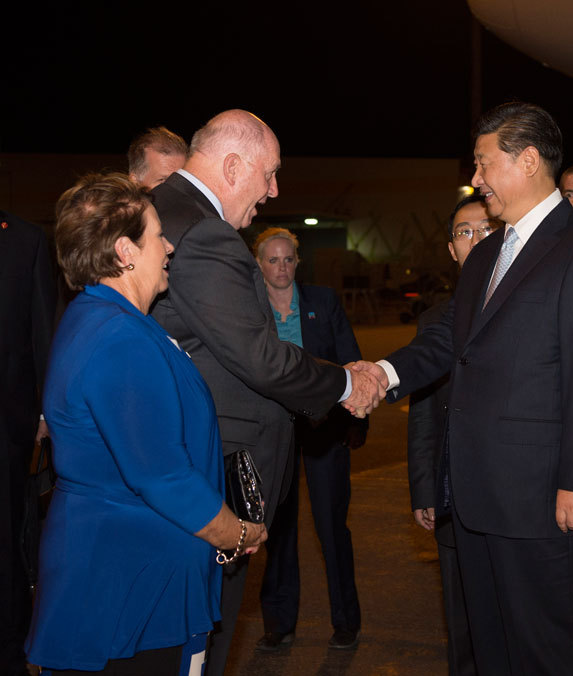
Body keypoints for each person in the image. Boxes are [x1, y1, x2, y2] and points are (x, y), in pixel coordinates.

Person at [350, 102, 573, 675]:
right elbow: (451, 345)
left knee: (553, 654)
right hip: (477, 497)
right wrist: (384, 372)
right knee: (494, 652)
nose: (475, 180)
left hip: (547, 501)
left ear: (527, 161)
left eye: (483, 164)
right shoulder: (486, 254)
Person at [149, 109, 382, 676]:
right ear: (233, 165)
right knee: (199, 639)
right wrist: (350, 381)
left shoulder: (167, 212)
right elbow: (257, 357)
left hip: (180, 467)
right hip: (212, 476)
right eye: (269, 173)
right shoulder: (204, 232)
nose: (274, 190)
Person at [24, 173, 267, 675]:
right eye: (157, 234)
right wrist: (236, 533)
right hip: (128, 586)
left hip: (121, 572)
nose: (170, 246)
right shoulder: (120, 338)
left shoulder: (102, 318)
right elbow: (161, 476)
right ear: (123, 251)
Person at [252, 228, 368, 652]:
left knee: (331, 526)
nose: (281, 268)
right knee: (278, 528)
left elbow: (349, 358)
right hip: (272, 428)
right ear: (259, 264)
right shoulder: (250, 308)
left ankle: (346, 621)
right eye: (272, 260)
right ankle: (279, 622)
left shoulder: (322, 301)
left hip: (323, 426)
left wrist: (356, 420)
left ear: (298, 262)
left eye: (288, 259)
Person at [407, 194, 497, 676]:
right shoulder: (434, 319)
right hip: (450, 489)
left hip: (510, 492)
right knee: (460, 619)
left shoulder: (525, 303)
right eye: (466, 232)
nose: (476, 239)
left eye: (486, 229)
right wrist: (424, 486)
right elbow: (423, 411)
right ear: (451, 248)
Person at [0, 211, 56, 676]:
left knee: (7, 538)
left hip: (7, 425)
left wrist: (41, 412)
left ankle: (10, 650)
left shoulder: (25, 239)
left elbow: (41, 327)